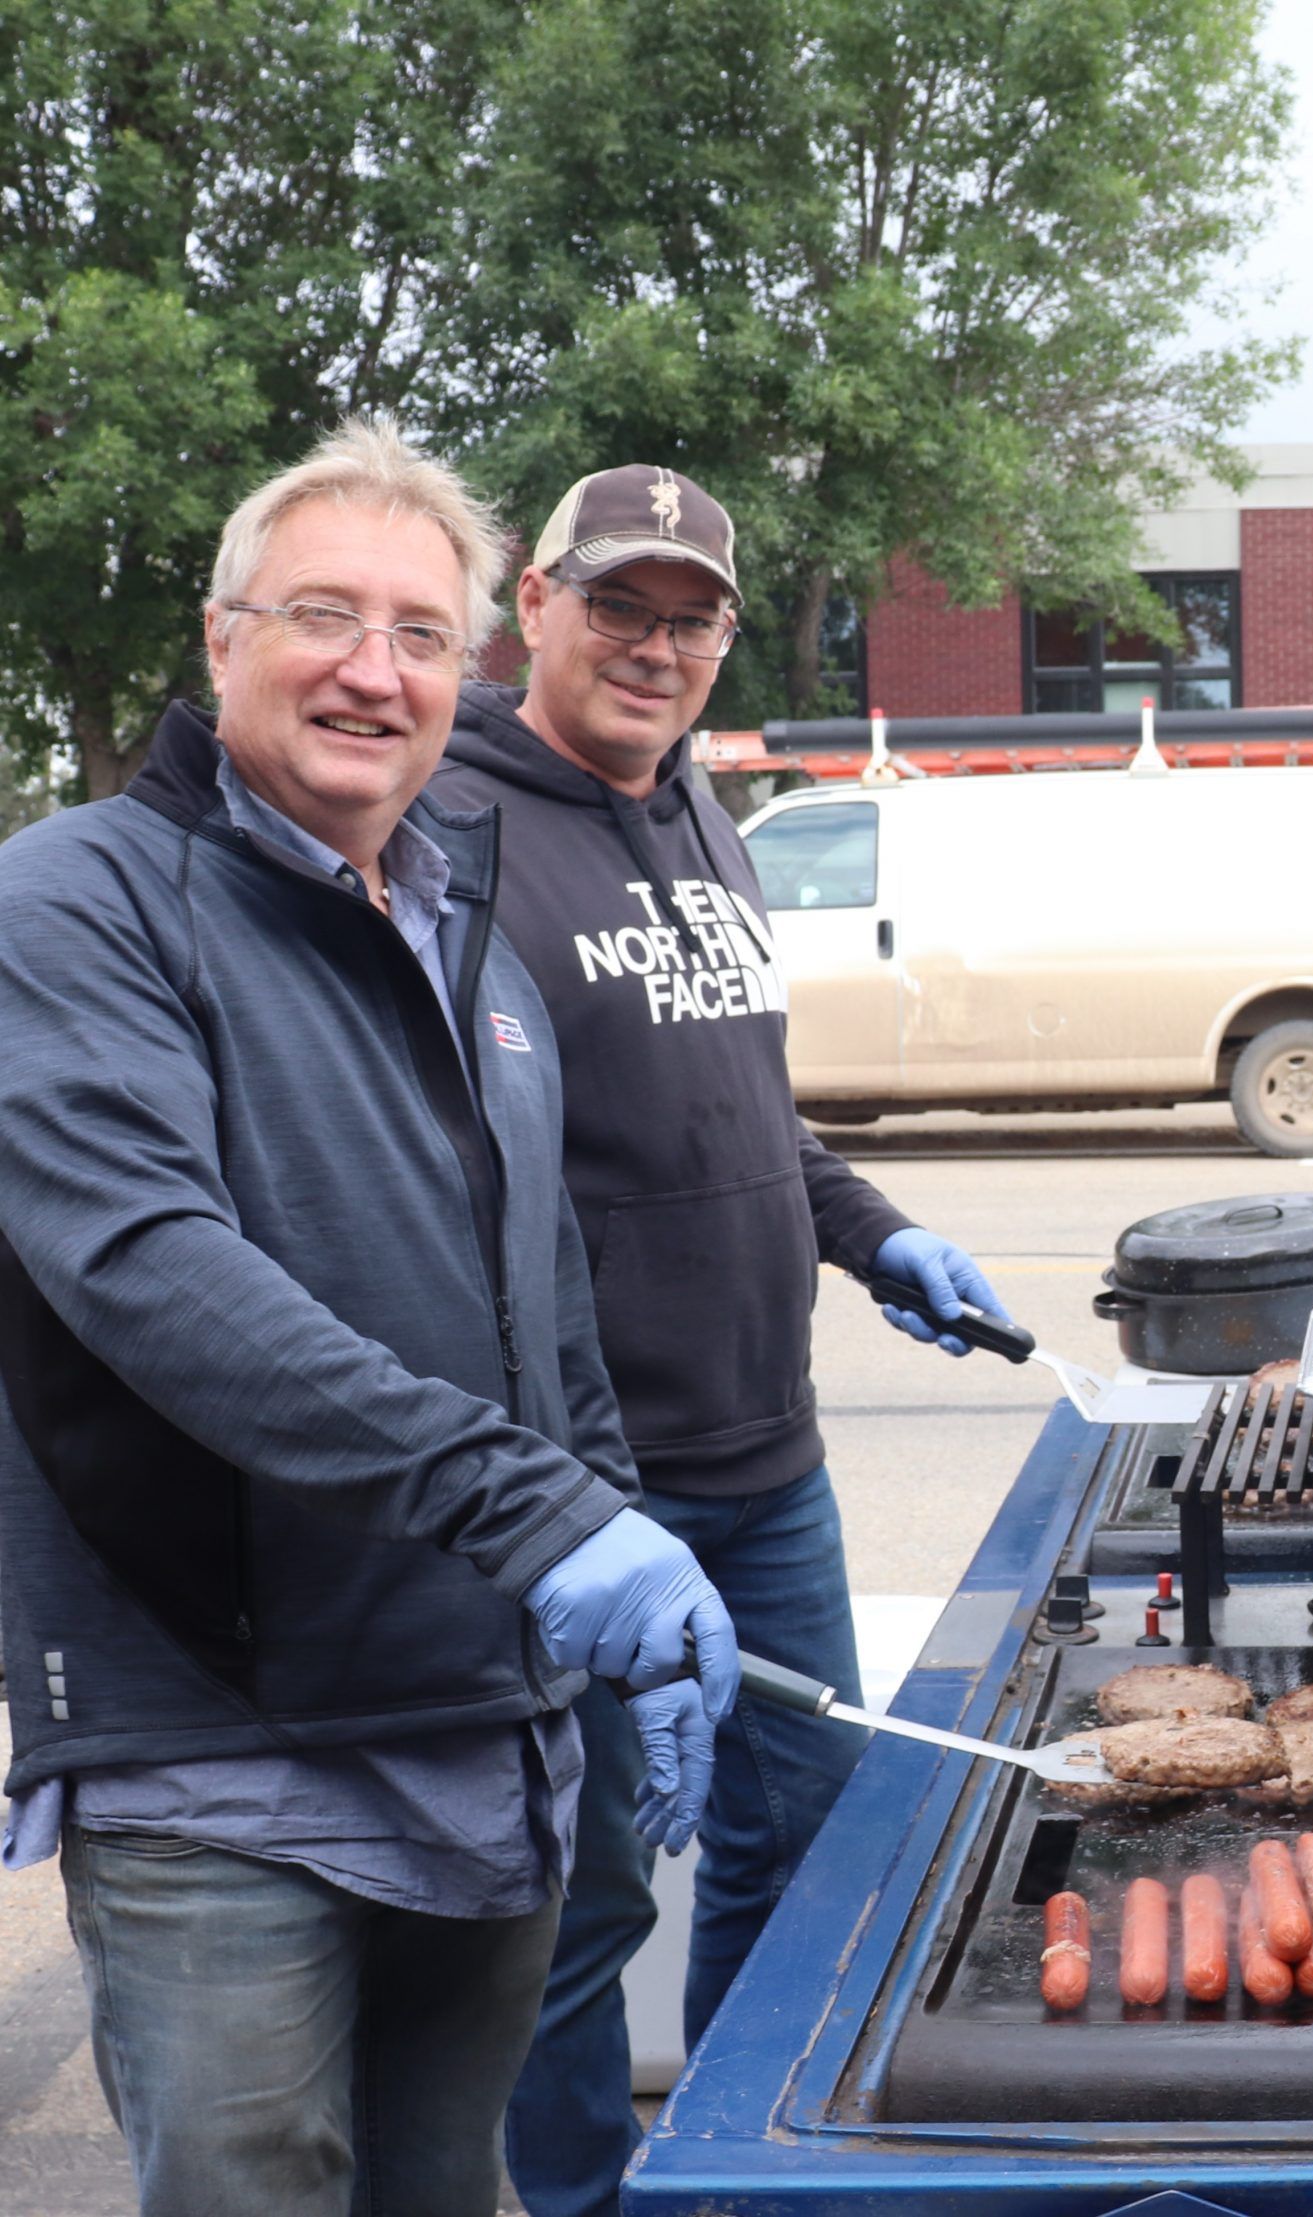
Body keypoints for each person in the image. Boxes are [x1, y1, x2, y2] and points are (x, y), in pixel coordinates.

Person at [0, 421, 741, 2217]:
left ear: (465, 669)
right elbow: (152, 1273)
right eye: (324, 615)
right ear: (221, 638)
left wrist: (613, 1542)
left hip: (482, 1724)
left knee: (443, 2192)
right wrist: (540, 1519)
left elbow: (544, 1306)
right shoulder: (75, 902)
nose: (372, 668)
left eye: (421, 633)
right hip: (215, 1744)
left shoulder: (471, 936)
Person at [431, 463, 1005, 2214]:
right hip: (595, 1501)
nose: (657, 648)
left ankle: (739, 2168)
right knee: (590, 1899)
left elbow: (755, 1118)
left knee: (809, 1835)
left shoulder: (703, 816)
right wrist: (542, 1494)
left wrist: (882, 1234)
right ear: (532, 603)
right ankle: (594, 2195)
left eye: (693, 620)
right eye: (620, 605)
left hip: (772, 1465)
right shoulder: (452, 829)